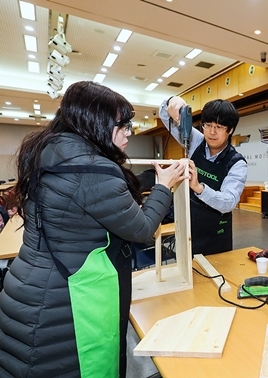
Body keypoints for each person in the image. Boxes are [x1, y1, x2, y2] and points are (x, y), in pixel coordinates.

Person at [0, 81, 187, 378]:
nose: (128, 132)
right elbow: (140, 229)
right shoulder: (92, 170)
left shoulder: (48, 152)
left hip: (29, 282)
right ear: (94, 124)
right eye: (121, 125)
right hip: (64, 300)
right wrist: (164, 186)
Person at [160, 97, 248, 255]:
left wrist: (199, 188)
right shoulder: (196, 141)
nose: (212, 132)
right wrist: (173, 101)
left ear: (231, 130)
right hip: (189, 228)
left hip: (216, 237)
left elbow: (229, 202)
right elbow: (165, 115)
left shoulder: (237, 163)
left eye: (219, 127)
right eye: (208, 125)